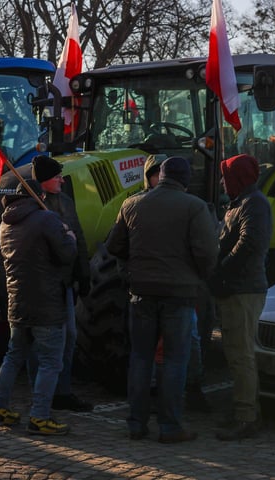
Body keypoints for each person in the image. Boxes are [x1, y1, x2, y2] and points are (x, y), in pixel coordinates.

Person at [106, 157, 218, 443]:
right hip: (179, 294)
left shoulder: (131, 204)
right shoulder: (195, 207)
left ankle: (136, 423)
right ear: (186, 179)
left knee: (140, 359)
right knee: (174, 361)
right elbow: (207, 253)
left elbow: (114, 246)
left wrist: (135, 269)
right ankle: (170, 426)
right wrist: (197, 277)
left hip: (141, 292)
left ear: (161, 175)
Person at [0, 178, 77, 435]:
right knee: (50, 361)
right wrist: (69, 236)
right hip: (47, 303)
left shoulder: (5, 223)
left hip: (17, 302)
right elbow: (66, 254)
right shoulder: (46, 219)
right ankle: (40, 416)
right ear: (40, 196)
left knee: (13, 355)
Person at [209, 154, 271, 441]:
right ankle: (245, 410)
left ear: (238, 178)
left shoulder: (254, 204)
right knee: (236, 354)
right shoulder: (240, 202)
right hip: (236, 287)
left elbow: (249, 243)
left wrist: (221, 271)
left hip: (243, 289)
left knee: (240, 354)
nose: (222, 183)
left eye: (226, 177)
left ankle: (246, 417)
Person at [28, 155, 93, 412]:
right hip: (45, 286)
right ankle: (41, 393)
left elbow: (79, 237)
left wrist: (83, 273)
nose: (62, 181)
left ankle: (62, 391)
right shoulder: (34, 207)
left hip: (66, 282)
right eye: (57, 177)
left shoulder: (65, 201)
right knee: (41, 343)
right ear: (44, 180)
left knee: (70, 336)